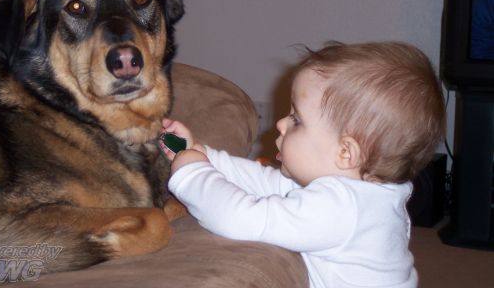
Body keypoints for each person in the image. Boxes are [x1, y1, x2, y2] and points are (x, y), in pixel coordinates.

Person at [161, 41, 446, 288]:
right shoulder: (367, 192)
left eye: (297, 120)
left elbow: (241, 219)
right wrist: (202, 155)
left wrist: (193, 174)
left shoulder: (340, 208)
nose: (280, 124)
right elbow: (266, 182)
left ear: (345, 153)